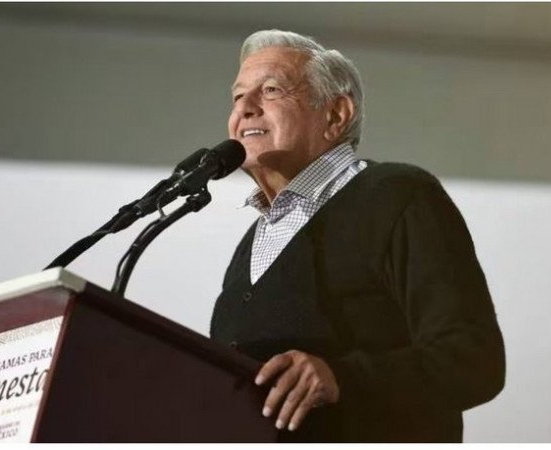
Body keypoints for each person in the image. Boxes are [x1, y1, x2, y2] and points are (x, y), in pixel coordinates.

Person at [209, 29, 505, 443]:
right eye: (238, 96)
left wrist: (342, 378)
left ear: (335, 115)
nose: (246, 108)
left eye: (271, 90)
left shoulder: (397, 196)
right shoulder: (252, 243)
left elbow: (474, 359)